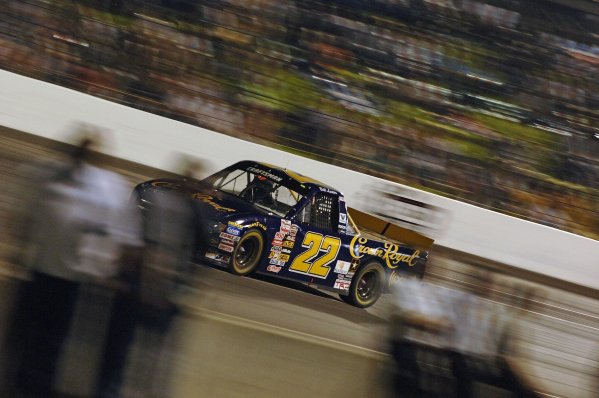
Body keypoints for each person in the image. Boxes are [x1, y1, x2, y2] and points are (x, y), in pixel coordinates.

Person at [13, 133, 141, 397]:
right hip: (48, 273)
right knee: (36, 342)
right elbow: (25, 220)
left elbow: (124, 240)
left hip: (76, 281)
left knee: (52, 345)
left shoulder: (108, 188)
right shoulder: (49, 177)